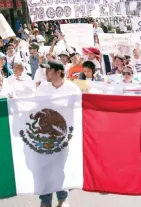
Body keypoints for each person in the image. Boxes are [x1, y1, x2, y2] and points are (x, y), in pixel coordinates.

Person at [35, 60, 80, 207]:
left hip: (64, 136)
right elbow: (34, 106)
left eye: (49, 70)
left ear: (59, 72)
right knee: (44, 167)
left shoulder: (72, 88)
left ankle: (62, 198)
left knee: (60, 167)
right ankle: (45, 200)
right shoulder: (42, 88)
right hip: (44, 135)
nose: (46, 73)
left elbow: (81, 108)